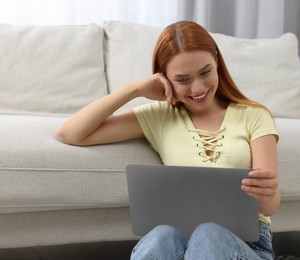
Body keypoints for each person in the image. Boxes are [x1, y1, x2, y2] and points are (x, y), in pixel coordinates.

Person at [56, 20, 280, 260]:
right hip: (178, 243)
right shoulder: (160, 117)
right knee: (162, 235)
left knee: (208, 233)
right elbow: (71, 133)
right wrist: (134, 89)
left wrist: (267, 194)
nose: (198, 87)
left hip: (248, 243)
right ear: (164, 78)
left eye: (205, 72)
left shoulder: (254, 116)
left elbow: (269, 207)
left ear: (216, 60)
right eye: (183, 79)